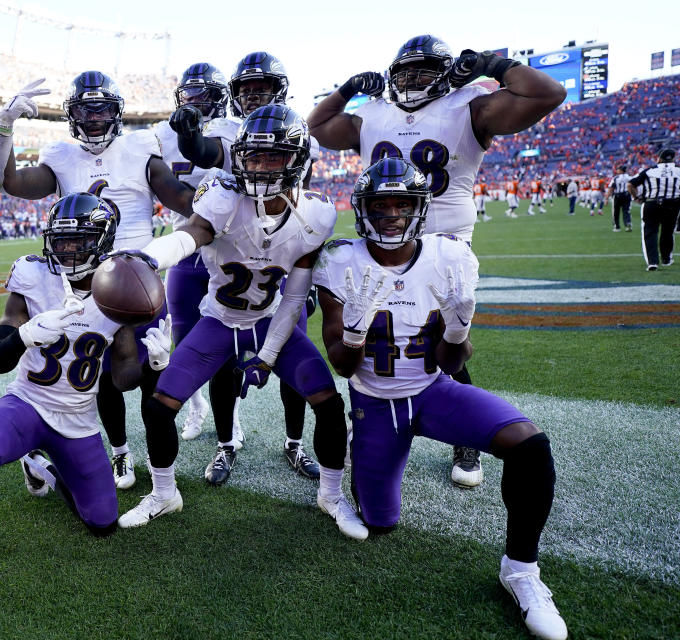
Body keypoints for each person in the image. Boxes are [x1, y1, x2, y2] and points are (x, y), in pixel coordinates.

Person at [314, 158, 567, 640]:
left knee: (530, 445)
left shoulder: (448, 256)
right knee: (379, 521)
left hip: (434, 391)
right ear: (362, 209)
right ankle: (360, 445)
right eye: (380, 204)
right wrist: (351, 334)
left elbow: (453, 362)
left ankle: (521, 571)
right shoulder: (339, 260)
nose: (390, 213)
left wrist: (459, 326)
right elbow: (343, 367)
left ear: (420, 208)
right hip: (376, 403)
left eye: (401, 203)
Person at [307, 34, 565, 487]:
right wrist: (348, 88)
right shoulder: (374, 113)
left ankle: (463, 438)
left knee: (441, 331)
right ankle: (367, 416)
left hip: (444, 239)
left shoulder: (469, 105)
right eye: (404, 71)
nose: (412, 79)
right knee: (368, 329)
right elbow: (319, 125)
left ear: (447, 73)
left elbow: (548, 93)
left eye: (424, 69)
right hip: (379, 236)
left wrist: (491, 64)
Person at [0, 192, 168, 639]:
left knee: (102, 523)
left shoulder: (121, 285)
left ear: (103, 242)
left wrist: (153, 364)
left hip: (78, 422)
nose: (67, 250)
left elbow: (123, 376)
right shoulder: (33, 275)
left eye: (79, 242)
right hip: (28, 404)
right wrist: (25, 334)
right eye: (60, 241)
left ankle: (44, 469)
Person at [115, 105, 364, 539]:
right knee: (159, 409)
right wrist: (152, 257)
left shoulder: (317, 215)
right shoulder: (225, 197)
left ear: (298, 160)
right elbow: (191, 234)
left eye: (275, 156)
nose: (262, 167)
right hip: (219, 322)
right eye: (254, 156)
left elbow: (294, 298)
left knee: (328, 403)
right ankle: (163, 493)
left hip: (270, 321)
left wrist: (267, 357)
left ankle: (331, 494)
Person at [0, 72, 195, 491]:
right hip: (88, 285)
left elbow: (181, 198)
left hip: (141, 281)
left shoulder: (139, 147)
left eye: (103, 108)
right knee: (104, 380)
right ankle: (119, 453)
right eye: (86, 108)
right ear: (72, 114)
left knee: (156, 382)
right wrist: (4, 127)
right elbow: (8, 182)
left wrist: (223, 188)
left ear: (117, 113)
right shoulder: (63, 157)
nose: (95, 117)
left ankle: (163, 482)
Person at [168, 51, 323, 482]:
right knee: (221, 358)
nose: (254, 96)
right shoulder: (227, 130)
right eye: (246, 89)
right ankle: (225, 443)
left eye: (262, 88)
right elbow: (201, 151)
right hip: (224, 248)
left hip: (276, 252)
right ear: (233, 96)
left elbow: (301, 201)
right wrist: (189, 135)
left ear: (281, 90)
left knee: (293, 356)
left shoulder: (295, 132)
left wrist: (302, 271)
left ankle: (294, 443)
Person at [154, 62, 230, 442]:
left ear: (220, 98)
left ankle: (230, 425)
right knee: (183, 337)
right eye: (189, 95)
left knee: (229, 337)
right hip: (185, 247)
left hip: (230, 248)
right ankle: (198, 408)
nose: (195, 102)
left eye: (204, 95)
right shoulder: (158, 135)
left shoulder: (232, 131)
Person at [629, 148, 680, 271]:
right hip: (673, 204)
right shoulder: (678, 170)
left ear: (659, 158)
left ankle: (652, 262)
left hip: (652, 203)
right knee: (668, 232)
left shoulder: (649, 171)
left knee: (650, 232)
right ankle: (666, 259)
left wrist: (636, 197)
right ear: (673, 158)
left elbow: (630, 184)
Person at [607, 165, 632, 232]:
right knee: (626, 210)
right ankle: (627, 224)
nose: (617, 170)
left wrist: (606, 198)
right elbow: (633, 186)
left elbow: (611, 188)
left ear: (621, 170)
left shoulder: (615, 178)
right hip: (627, 195)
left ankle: (617, 226)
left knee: (615, 212)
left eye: (618, 169)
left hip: (617, 196)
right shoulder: (629, 177)